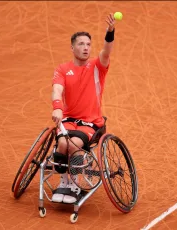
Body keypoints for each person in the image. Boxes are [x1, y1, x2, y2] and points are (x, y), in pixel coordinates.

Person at [50, 13, 116, 203]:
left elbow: (106, 51)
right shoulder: (63, 69)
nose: (85, 48)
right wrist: (57, 107)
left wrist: (110, 31)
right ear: (72, 48)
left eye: (88, 44)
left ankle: (74, 184)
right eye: (81, 44)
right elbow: (57, 89)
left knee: (72, 144)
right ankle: (64, 182)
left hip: (90, 121)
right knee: (62, 144)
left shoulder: (97, 66)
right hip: (69, 119)